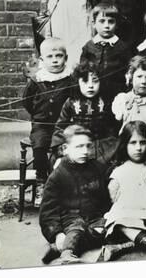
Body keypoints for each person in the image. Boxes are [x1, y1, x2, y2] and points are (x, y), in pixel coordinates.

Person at [39, 126, 111, 265]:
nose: (85, 151)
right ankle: (66, 253)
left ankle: (59, 248)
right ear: (65, 148)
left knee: (111, 230)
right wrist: (57, 234)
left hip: (95, 218)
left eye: (88, 146)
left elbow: (106, 194)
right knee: (76, 228)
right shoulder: (58, 175)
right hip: (71, 219)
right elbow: (48, 210)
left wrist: (107, 214)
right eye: (79, 147)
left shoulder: (97, 168)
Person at [102, 121, 146, 261]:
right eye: (133, 143)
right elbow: (114, 200)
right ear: (124, 145)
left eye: (142, 143)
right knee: (118, 221)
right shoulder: (119, 172)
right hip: (129, 220)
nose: (138, 148)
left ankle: (125, 246)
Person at [22, 38, 73, 205]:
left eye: (59, 56)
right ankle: (41, 181)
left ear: (66, 58)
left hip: (63, 124)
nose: (55, 60)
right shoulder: (37, 80)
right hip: (42, 125)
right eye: (50, 56)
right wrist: (37, 115)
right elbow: (27, 101)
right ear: (42, 60)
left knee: (64, 151)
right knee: (39, 147)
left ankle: (62, 186)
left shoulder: (70, 79)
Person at [53, 60, 119, 165]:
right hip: (77, 143)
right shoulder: (71, 102)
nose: (90, 86)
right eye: (85, 81)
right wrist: (61, 150)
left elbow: (111, 128)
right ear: (77, 83)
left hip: (101, 146)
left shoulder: (106, 102)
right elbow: (60, 127)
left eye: (95, 81)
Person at [80, 4, 132, 103]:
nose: (106, 26)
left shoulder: (122, 47)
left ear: (117, 24)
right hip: (94, 92)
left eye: (111, 21)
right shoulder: (89, 46)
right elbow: (82, 71)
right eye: (102, 21)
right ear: (94, 24)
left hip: (116, 93)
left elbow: (129, 70)